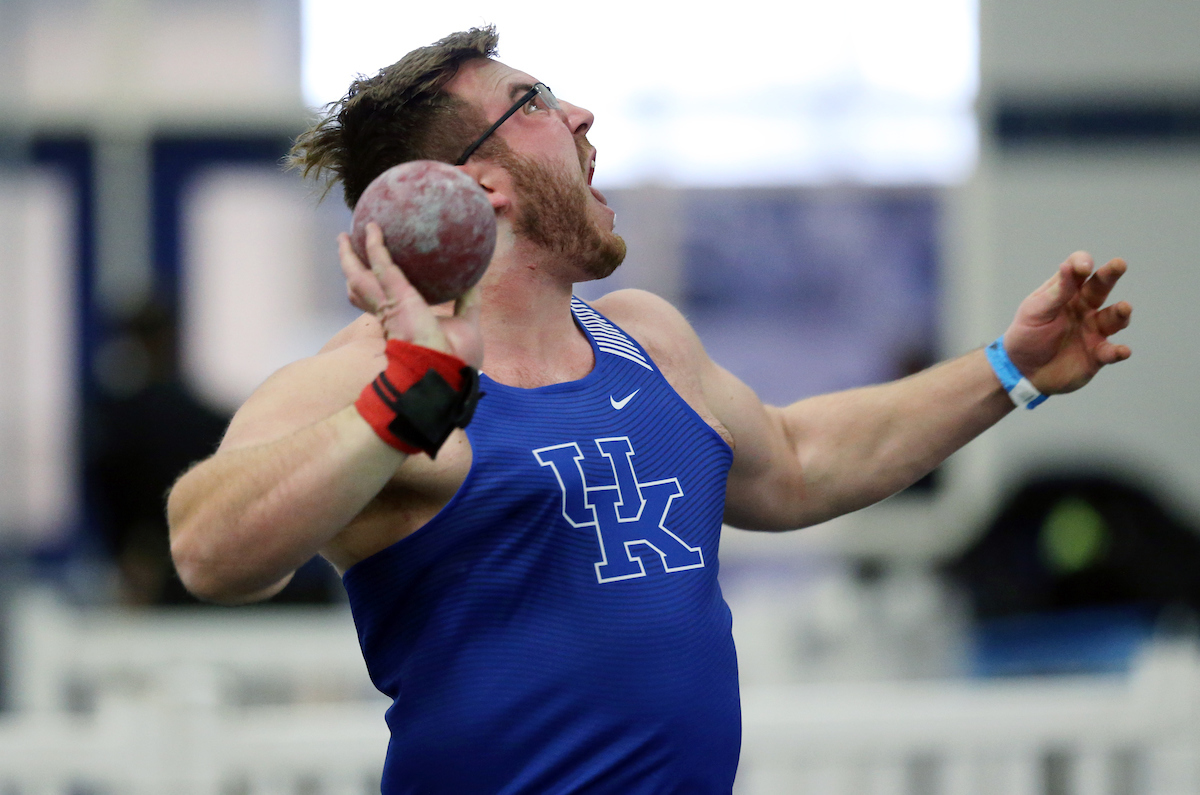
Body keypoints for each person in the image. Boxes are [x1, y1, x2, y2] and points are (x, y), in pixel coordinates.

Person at [166, 26, 1133, 794]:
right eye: (534, 103)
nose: (582, 113)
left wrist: (1012, 367)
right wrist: (394, 409)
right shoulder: (366, 374)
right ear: (479, 184)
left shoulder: (645, 337)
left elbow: (797, 461)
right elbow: (207, 546)